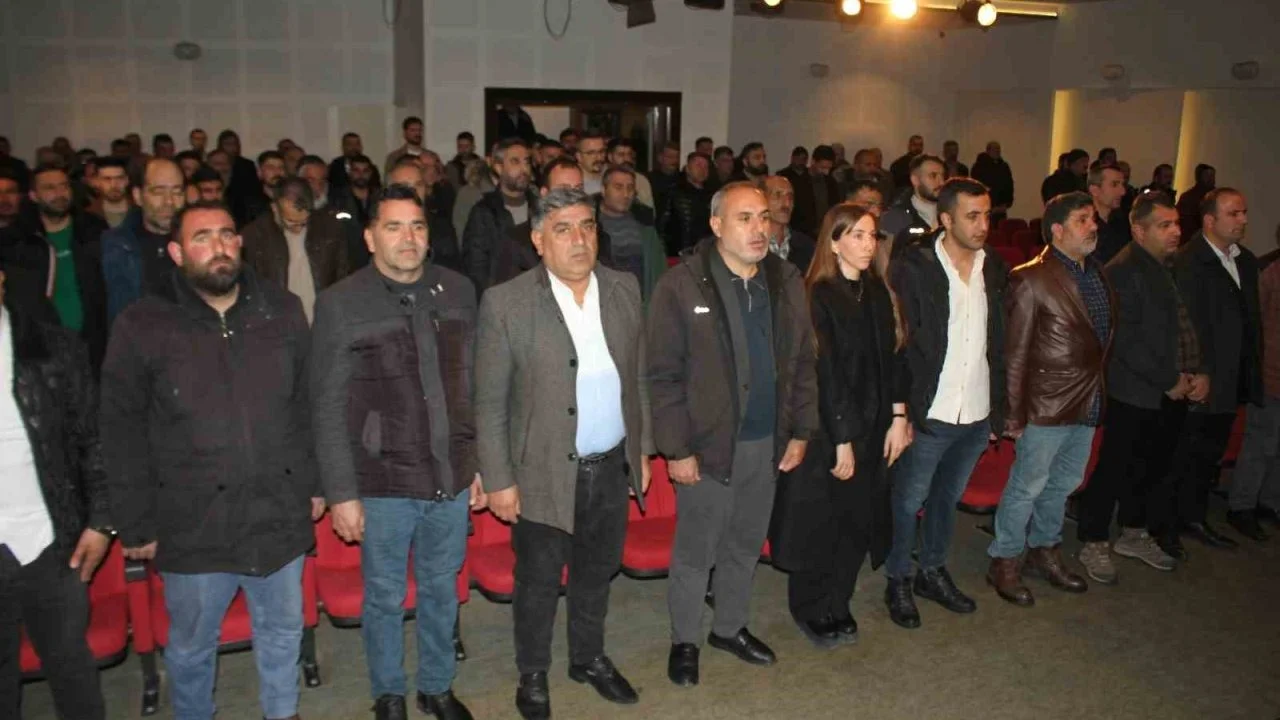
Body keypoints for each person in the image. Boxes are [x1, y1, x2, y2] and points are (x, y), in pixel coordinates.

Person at [101, 199, 321, 720]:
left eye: (226, 234)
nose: (218, 246)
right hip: (193, 521)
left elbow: (307, 405)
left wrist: (315, 483)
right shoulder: (143, 324)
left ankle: (282, 712)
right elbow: (120, 429)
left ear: (239, 243)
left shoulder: (282, 310)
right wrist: (135, 520)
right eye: (202, 238)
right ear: (178, 253)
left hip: (276, 510)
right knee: (191, 646)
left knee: (282, 631)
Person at [475, 187, 650, 719]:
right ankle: (532, 673)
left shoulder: (623, 288)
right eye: (563, 229)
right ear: (538, 240)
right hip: (541, 472)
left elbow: (637, 377)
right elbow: (489, 402)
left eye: (587, 226)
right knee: (538, 581)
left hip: (609, 464)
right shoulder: (505, 303)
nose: (579, 239)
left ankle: (587, 658)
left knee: (596, 572)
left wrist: (642, 451)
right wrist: (499, 479)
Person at [310, 184, 481, 720]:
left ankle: (436, 687)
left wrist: (478, 464)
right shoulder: (340, 303)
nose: (408, 238)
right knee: (384, 595)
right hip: (381, 483)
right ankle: (388, 693)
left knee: (441, 588)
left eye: (417, 226)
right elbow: (326, 406)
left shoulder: (459, 290)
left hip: (450, 476)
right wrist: (341, 492)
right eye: (393, 227)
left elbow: (472, 386)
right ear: (369, 238)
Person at [647, 181, 818, 687]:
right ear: (716, 224)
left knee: (745, 543)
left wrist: (801, 430)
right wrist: (676, 449)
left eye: (763, 217)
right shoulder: (682, 286)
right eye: (744, 218)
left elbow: (802, 362)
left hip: (766, 443)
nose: (758, 228)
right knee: (696, 552)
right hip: (707, 447)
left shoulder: (785, 280)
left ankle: (729, 627)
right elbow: (661, 376)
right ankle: (685, 640)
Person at [769, 203, 910, 648]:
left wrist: (899, 417)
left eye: (872, 236)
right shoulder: (818, 295)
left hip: (874, 425)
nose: (869, 245)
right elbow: (825, 374)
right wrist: (843, 440)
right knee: (821, 523)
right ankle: (810, 606)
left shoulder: (877, 291)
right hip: (830, 430)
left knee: (858, 520)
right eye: (857, 236)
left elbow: (895, 359)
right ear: (834, 243)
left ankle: (839, 600)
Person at [884, 178, 1007, 628]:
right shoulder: (914, 268)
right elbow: (899, 345)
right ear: (946, 219)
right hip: (930, 410)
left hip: (976, 409)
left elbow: (1002, 342)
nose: (982, 225)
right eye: (972, 216)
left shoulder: (995, 267)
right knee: (907, 501)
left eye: (987, 215)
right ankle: (898, 577)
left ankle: (932, 571)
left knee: (946, 499)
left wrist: (999, 410)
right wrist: (901, 411)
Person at [990, 191, 1114, 607]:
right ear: (1057, 230)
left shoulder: (1097, 273)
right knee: (1027, 485)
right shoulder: (1031, 278)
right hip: (1046, 402)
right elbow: (1015, 353)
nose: (1093, 226)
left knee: (1064, 484)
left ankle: (1044, 549)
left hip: (1088, 397)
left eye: (1093, 219)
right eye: (1082, 220)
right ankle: (1005, 559)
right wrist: (1013, 413)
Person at [0, 261, 110, 720]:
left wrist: (101, 521)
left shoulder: (54, 348)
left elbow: (94, 440)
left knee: (71, 671)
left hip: (51, 538)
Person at [1074, 193, 1199, 583]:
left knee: (1153, 467)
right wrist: (1169, 379)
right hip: (1134, 390)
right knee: (1115, 467)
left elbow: (1185, 327)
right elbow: (1125, 340)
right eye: (1165, 225)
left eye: (1176, 224)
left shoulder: (1172, 266)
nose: (1175, 231)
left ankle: (1133, 532)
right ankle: (1093, 538)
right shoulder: (1123, 270)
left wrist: (1195, 372)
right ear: (1139, 230)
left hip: (1170, 388)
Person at [1170, 188, 1261, 549]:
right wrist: (1200, 371)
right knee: (1187, 452)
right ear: (1210, 220)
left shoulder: (1246, 261)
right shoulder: (1189, 261)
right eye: (1234, 214)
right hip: (1203, 377)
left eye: (1244, 212)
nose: (1243, 220)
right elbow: (1188, 324)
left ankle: (1193, 516)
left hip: (1232, 374)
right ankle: (1172, 522)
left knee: (1210, 453)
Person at [0, 165, 108, 372]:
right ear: (33, 195)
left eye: (64, 186)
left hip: (94, 345)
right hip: (41, 351)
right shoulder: (15, 242)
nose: (60, 194)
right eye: (50, 188)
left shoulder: (94, 231)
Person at [240, 177, 350, 324]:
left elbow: (342, 276)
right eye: (291, 222)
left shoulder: (330, 229)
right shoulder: (254, 236)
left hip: (323, 318)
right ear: (274, 208)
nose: (298, 229)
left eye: (304, 222)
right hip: (277, 321)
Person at [1228, 225, 1280, 539]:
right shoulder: (1270, 273)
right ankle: (1242, 506)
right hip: (1271, 374)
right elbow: (1255, 325)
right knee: (1260, 444)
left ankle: (1269, 502)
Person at [100, 157, 186, 327]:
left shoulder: (198, 246)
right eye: (158, 192)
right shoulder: (114, 247)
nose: (169, 202)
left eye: (177, 192)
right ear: (138, 196)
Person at [462, 138, 535, 295]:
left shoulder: (539, 207)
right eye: (515, 162)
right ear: (499, 167)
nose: (524, 169)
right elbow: (476, 267)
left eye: (527, 162)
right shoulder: (484, 212)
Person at [596, 166, 667, 301]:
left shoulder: (646, 227)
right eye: (618, 187)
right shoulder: (590, 227)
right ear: (604, 190)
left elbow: (659, 274)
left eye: (630, 188)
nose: (626, 194)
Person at [384, 158, 463, 274]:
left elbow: (453, 267)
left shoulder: (441, 225)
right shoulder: (381, 226)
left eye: (419, 185)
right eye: (405, 186)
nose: (414, 191)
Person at [882, 154, 945, 256]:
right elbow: (885, 257)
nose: (941, 182)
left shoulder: (950, 214)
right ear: (915, 180)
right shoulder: (896, 216)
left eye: (943, 176)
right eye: (933, 176)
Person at [658, 152, 714, 257]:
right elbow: (661, 226)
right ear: (687, 169)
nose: (702, 169)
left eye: (705, 167)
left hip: (706, 252)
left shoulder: (712, 195)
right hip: (679, 253)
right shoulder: (673, 192)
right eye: (698, 165)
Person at [763, 175, 815, 274]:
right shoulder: (751, 243)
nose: (786, 204)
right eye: (778, 195)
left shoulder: (806, 246)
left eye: (790, 197)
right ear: (761, 199)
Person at [788, 145, 840, 239]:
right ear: (813, 162)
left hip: (827, 233)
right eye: (823, 167)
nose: (826, 172)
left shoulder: (831, 182)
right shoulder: (798, 183)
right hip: (804, 234)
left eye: (829, 168)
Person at [1088, 164, 1130, 264]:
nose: (1123, 192)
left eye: (1123, 185)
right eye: (1114, 184)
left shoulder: (1125, 222)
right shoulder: (1082, 225)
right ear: (1095, 190)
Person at [971, 141, 1014, 224]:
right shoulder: (979, 166)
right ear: (988, 151)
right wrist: (990, 206)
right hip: (985, 208)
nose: (997, 151)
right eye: (994, 149)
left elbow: (1009, 186)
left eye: (998, 149)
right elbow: (978, 186)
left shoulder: (1004, 166)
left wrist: (1006, 203)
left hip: (1001, 208)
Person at [607, 138, 654, 208]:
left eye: (629, 154)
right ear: (610, 157)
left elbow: (649, 210)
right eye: (621, 155)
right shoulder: (603, 178)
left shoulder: (641, 180)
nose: (626, 159)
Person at [87, 157, 132, 229]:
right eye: (107, 179)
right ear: (97, 182)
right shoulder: (88, 215)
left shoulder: (143, 211)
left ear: (127, 180)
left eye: (119, 178)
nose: (114, 185)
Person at [1176, 163, 1216, 239]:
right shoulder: (1188, 197)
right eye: (1207, 176)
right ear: (1199, 177)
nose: (1211, 179)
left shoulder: (1218, 197)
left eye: (1213, 176)